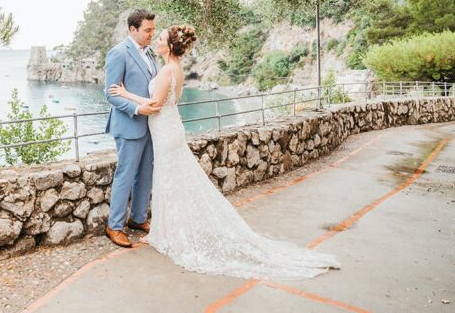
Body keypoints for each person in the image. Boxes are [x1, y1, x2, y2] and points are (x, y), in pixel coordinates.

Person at [108, 24, 340, 279]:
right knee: (169, 180)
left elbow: (155, 104)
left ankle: (169, 232)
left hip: (164, 131)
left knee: (168, 181)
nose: (156, 39)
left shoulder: (166, 70)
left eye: (160, 36)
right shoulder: (175, 68)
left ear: (170, 45)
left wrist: (126, 93)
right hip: (168, 129)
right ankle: (166, 229)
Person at [103, 9, 161, 248]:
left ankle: (138, 218)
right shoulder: (118, 53)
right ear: (133, 30)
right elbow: (110, 94)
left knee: (146, 175)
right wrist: (138, 110)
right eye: (147, 30)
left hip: (151, 126)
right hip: (129, 125)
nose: (151, 34)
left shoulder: (150, 54)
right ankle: (114, 226)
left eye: (152, 30)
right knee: (125, 176)